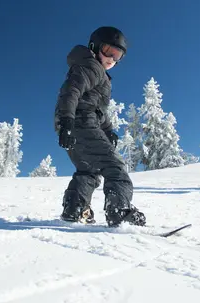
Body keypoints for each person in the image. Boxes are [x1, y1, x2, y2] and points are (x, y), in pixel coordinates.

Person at [54, 26, 145, 228]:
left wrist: (108, 130)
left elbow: (96, 108)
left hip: (76, 123)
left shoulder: (92, 70)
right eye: (108, 51)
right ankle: (119, 210)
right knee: (114, 166)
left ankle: (75, 209)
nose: (112, 58)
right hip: (79, 122)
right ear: (95, 47)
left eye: (117, 55)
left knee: (88, 169)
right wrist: (67, 121)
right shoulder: (91, 66)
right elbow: (71, 92)